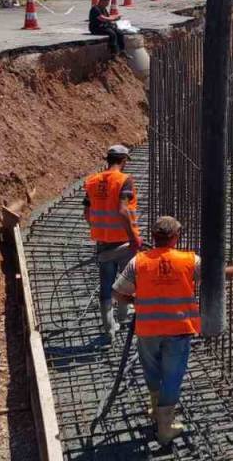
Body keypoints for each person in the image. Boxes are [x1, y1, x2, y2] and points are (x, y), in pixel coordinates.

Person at [111, 216, 233, 444]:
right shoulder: (188, 260)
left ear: (154, 236)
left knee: (152, 371)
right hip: (178, 329)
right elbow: (217, 275)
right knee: (172, 377)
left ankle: (155, 409)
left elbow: (117, 293)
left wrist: (136, 301)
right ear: (176, 237)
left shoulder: (138, 262)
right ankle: (165, 428)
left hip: (147, 329)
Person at [82, 145, 143, 342]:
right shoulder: (124, 180)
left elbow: (87, 212)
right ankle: (124, 318)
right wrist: (133, 237)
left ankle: (109, 330)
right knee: (126, 282)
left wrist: (100, 229)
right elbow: (123, 210)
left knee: (106, 286)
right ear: (123, 160)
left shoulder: (92, 181)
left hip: (103, 243)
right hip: (124, 243)